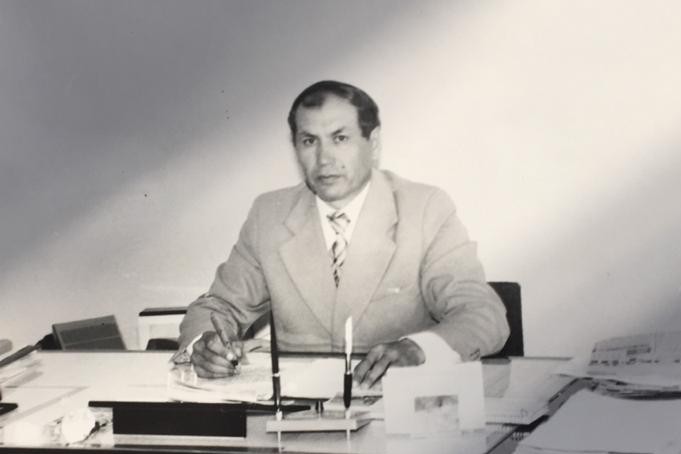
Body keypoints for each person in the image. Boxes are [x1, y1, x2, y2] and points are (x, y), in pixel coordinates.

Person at [175, 80, 509, 388]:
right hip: (295, 415)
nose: (324, 159)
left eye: (340, 138)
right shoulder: (269, 214)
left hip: (397, 408)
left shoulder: (425, 209)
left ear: (373, 143)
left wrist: (419, 350)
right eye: (309, 141)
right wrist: (204, 344)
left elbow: (482, 313)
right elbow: (217, 306)